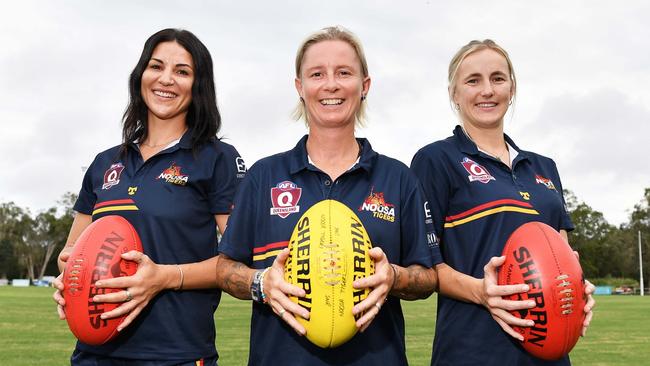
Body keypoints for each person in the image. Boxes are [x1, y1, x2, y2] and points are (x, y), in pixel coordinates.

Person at [214, 26, 440, 365]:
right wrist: (261, 283)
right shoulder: (264, 176)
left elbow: (428, 277)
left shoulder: (398, 178)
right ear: (300, 87)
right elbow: (224, 267)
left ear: (364, 86)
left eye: (344, 73)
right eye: (317, 74)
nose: (330, 84)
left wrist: (394, 277)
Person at [52, 28, 245, 365]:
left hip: (176, 355)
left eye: (182, 71)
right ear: (141, 74)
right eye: (156, 66)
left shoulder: (217, 159)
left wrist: (163, 278)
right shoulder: (104, 163)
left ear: (198, 86)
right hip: (94, 353)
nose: (166, 79)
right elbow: (72, 251)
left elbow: (239, 264)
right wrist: (69, 276)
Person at [410, 39, 595, 365]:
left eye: (497, 78)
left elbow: (562, 253)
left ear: (512, 88)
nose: (487, 90)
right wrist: (481, 291)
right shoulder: (436, 160)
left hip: (550, 352)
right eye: (473, 80)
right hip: (472, 350)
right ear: (454, 93)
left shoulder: (544, 166)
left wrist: (577, 290)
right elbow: (425, 267)